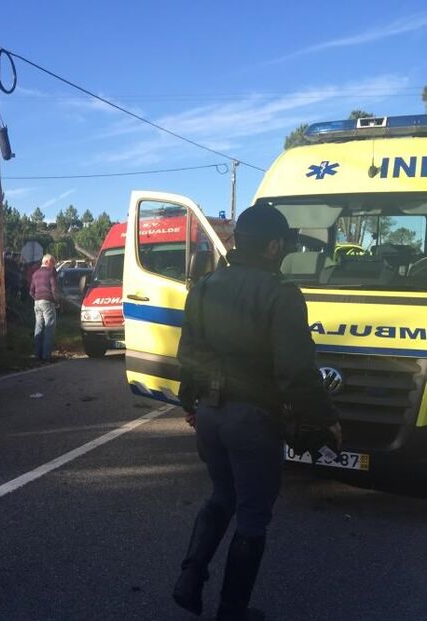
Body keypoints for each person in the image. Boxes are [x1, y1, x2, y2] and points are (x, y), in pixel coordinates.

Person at [172, 205, 342, 621]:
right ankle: (232, 611)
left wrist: (193, 404)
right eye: (282, 245)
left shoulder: (206, 285)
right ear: (272, 246)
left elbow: (188, 355)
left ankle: (188, 581)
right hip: (253, 421)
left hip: (211, 415)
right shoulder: (281, 293)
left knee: (221, 496)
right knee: (252, 517)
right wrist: (326, 419)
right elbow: (296, 372)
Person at [29, 254, 59, 360]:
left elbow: (31, 291)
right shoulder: (50, 273)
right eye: (53, 263)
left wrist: (37, 298)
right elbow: (54, 289)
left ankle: (37, 354)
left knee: (39, 327)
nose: (53, 266)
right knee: (49, 328)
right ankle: (46, 356)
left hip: (37, 302)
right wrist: (57, 301)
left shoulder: (35, 273)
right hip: (48, 302)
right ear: (47, 262)